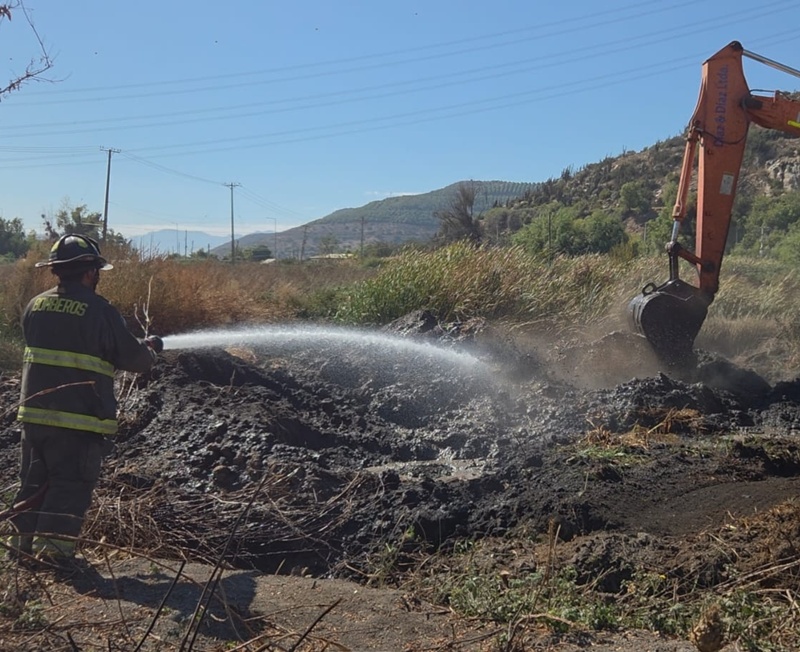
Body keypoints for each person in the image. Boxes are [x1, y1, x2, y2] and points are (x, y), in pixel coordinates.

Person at [8, 234, 164, 567]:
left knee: (31, 485)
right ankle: (54, 563)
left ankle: (19, 556)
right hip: (78, 423)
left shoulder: (35, 306)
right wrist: (148, 349)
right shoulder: (99, 311)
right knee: (68, 489)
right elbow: (135, 360)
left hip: (34, 418)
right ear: (90, 272)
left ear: (56, 271)